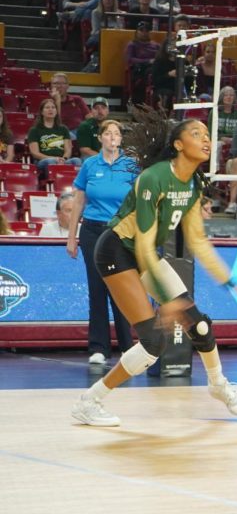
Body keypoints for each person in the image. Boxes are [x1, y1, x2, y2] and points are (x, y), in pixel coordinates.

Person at [70, 117, 237, 427]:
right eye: (196, 134)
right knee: (154, 342)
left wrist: (229, 280)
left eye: (207, 134)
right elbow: (141, 244)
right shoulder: (153, 179)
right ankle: (90, 401)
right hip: (117, 250)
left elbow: (196, 240)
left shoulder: (193, 183)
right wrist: (169, 299)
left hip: (146, 255)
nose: (206, 139)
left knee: (200, 325)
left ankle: (218, 384)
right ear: (178, 145)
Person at [64, 121, 141, 365]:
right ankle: (98, 347)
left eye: (116, 133)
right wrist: (71, 237)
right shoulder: (89, 165)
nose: (112, 137)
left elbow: (141, 200)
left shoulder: (131, 165)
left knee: (120, 288)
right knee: (96, 289)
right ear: (100, 138)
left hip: (120, 233)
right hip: (92, 231)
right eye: (108, 133)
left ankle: (127, 345)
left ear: (120, 139)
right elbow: (78, 202)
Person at [28, 98, 82, 173]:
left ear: (56, 111)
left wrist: (64, 159)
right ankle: (54, 182)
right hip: (43, 161)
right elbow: (35, 153)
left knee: (77, 161)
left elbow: (68, 150)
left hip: (62, 160)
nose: (51, 110)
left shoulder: (63, 129)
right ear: (42, 112)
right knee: (51, 161)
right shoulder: (34, 130)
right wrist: (54, 158)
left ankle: (76, 184)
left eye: (53, 107)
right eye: (47, 107)